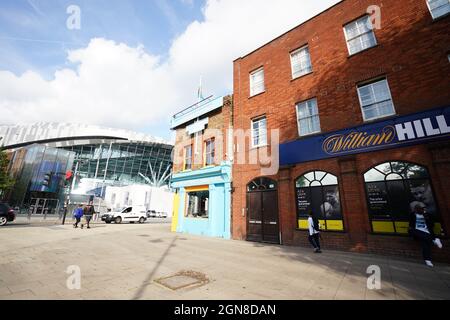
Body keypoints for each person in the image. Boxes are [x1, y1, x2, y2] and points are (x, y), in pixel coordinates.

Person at [409, 202, 443, 267]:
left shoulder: (427, 215)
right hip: (416, 231)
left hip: (426, 232)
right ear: (417, 209)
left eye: (424, 209)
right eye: (422, 209)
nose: (423, 210)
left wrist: (426, 217)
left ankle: (427, 260)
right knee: (424, 238)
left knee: (425, 244)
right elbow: (411, 225)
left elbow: (432, 225)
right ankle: (434, 239)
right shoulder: (412, 215)